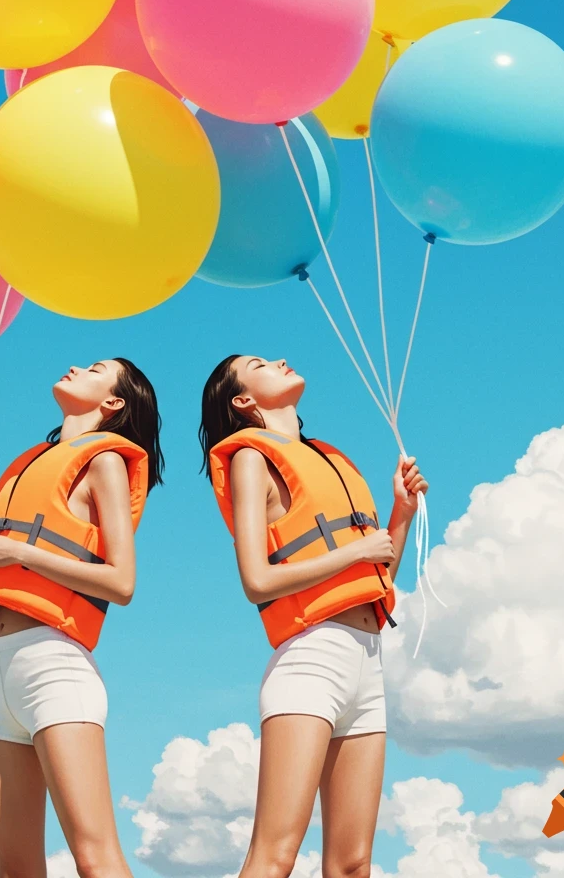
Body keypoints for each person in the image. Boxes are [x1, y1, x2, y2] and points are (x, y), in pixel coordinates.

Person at [0, 358, 164, 878]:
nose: (76, 366)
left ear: (114, 404)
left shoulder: (103, 462)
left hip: (56, 667)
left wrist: (24, 555)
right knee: (15, 870)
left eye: (96, 369)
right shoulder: (30, 463)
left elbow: (121, 583)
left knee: (96, 860)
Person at [199, 354, 427, 878]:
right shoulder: (251, 460)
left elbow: (377, 572)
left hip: (367, 665)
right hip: (310, 661)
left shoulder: (327, 457)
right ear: (244, 401)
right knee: (274, 857)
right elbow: (257, 580)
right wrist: (353, 553)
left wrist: (400, 514)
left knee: (353, 865)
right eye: (260, 364)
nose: (280, 360)